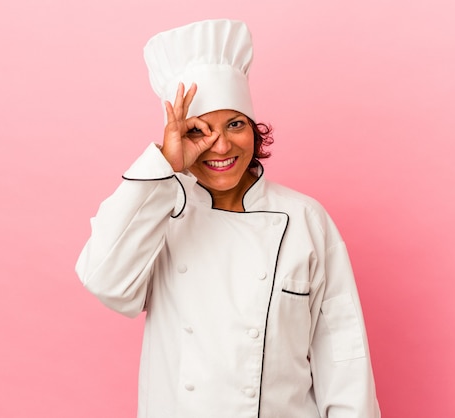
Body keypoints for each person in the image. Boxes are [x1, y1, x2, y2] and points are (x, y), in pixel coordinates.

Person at [76, 19, 380, 418]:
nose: (221, 145)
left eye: (235, 124)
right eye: (200, 130)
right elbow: (105, 281)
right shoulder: (160, 213)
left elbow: (343, 354)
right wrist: (164, 165)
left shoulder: (305, 219)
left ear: (254, 129)